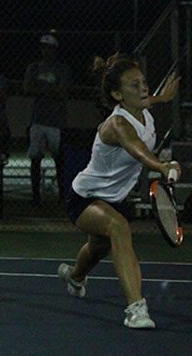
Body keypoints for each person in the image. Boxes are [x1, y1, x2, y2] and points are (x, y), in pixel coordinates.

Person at [58, 55, 181, 329]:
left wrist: (164, 98)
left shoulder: (142, 109)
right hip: (84, 197)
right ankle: (136, 309)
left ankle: (74, 276)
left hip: (114, 198)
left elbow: (151, 101)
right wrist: (162, 165)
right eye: (134, 85)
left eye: (143, 82)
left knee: (97, 247)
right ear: (117, 94)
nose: (143, 89)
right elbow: (138, 150)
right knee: (118, 227)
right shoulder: (118, 125)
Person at [23, 34, 72, 206]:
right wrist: (51, 89)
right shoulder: (34, 67)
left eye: (49, 48)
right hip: (38, 119)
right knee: (35, 158)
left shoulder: (62, 69)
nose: (46, 51)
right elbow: (27, 88)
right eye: (43, 47)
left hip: (56, 120)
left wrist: (41, 88)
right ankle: (36, 196)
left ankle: (62, 196)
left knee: (59, 159)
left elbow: (63, 91)